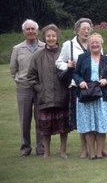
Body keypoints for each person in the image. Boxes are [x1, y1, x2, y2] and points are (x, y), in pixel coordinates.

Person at [56, 18, 107, 158]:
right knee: (85, 121)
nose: (86, 31)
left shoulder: (102, 52)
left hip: (100, 92)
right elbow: (63, 64)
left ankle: (100, 150)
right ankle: (86, 150)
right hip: (81, 89)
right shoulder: (69, 45)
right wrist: (70, 68)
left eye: (88, 28)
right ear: (77, 30)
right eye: (83, 28)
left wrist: (106, 80)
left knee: (100, 122)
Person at [27, 24, 69, 158]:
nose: (51, 38)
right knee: (45, 128)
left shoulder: (65, 53)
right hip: (45, 98)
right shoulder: (37, 56)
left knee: (63, 127)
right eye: (48, 36)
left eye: (53, 36)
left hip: (62, 96)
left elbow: (71, 73)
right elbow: (31, 76)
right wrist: (40, 89)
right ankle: (46, 152)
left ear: (57, 37)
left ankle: (63, 151)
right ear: (44, 37)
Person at [73, 33, 107, 159]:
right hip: (86, 94)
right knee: (89, 124)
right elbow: (75, 73)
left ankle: (99, 152)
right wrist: (80, 81)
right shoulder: (82, 58)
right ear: (88, 45)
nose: (95, 45)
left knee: (101, 125)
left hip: (102, 95)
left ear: (101, 44)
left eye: (97, 42)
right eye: (92, 43)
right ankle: (91, 153)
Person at [10, 19, 45, 156]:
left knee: (40, 118)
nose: (31, 31)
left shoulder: (43, 47)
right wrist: (19, 80)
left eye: (33, 29)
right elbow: (13, 69)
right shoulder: (18, 49)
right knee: (25, 119)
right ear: (24, 32)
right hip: (24, 87)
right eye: (28, 29)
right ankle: (25, 148)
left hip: (40, 87)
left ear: (37, 31)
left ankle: (41, 147)